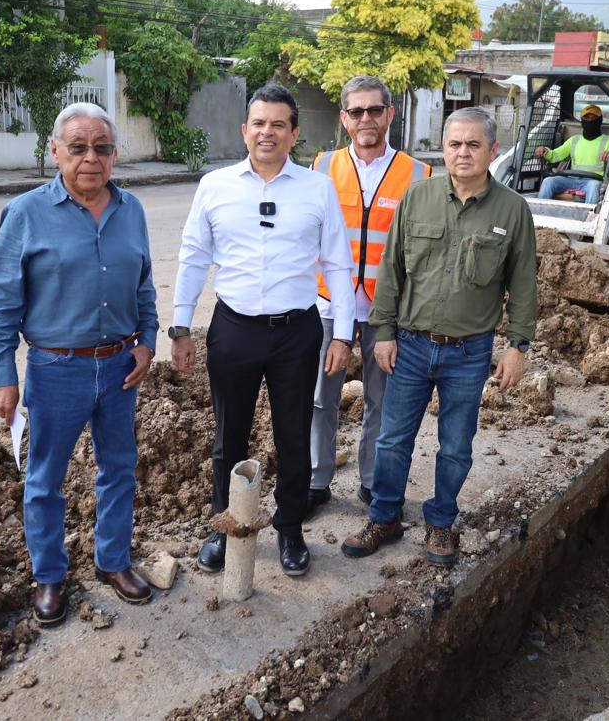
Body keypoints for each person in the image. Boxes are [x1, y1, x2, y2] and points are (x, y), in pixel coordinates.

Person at [0, 102, 158, 625]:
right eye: (77, 147)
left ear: (115, 156)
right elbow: (0, 298)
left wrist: (147, 341)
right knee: (45, 479)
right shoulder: (26, 213)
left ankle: (113, 561)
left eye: (102, 148)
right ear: (54, 151)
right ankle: (51, 576)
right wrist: (3, 375)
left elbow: (144, 282)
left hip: (120, 366)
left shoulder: (132, 210)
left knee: (119, 468)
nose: (90, 158)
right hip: (57, 369)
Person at [170, 84, 355, 578]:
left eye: (278, 124)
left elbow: (338, 262)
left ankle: (290, 529)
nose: (267, 132)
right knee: (228, 438)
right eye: (258, 123)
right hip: (234, 330)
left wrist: (343, 334)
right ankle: (223, 527)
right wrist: (180, 325)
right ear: (244, 130)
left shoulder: (317, 189)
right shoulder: (215, 186)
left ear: (294, 133)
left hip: (298, 333)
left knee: (294, 434)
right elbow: (193, 258)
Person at [342, 107, 538, 566]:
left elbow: (524, 284)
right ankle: (385, 516)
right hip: (409, 346)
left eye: (473, 145)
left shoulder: (512, 210)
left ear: (493, 150)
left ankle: (441, 523)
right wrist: (383, 332)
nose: (463, 153)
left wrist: (517, 346)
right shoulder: (419, 198)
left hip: (469, 354)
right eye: (454, 144)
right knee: (392, 439)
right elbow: (390, 271)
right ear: (443, 149)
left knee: (455, 445)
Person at [306, 76, 431, 517]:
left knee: (384, 400)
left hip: (386, 312)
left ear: (389, 114)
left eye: (374, 110)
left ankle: (373, 481)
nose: (365, 119)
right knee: (320, 398)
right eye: (356, 111)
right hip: (327, 306)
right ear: (344, 118)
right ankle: (316, 479)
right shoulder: (320, 167)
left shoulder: (418, 175)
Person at [534, 103, 609, 203]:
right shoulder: (574, 140)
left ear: (600, 120)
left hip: (593, 181)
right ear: (582, 121)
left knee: (594, 186)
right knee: (548, 181)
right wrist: (545, 151)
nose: (590, 121)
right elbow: (555, 155)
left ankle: (590, 216)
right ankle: (541, 212)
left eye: (593, 118)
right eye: (587, 118)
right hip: (571, 179)